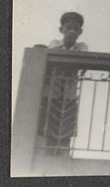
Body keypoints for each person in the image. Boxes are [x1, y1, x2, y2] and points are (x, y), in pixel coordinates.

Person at [37, 11, 88, 156]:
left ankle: (63, 163)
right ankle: (46, 161)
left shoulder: (82, 47)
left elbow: (84, 61)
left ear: (80, 31)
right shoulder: (54, 44)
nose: (72, 31)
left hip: (69, 96)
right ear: (61, 30)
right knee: (48, 131)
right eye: (68, 28)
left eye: (75, 29)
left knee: (66, 133)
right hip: (51, 95)